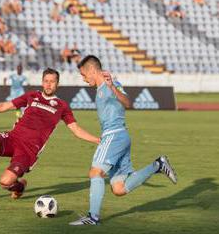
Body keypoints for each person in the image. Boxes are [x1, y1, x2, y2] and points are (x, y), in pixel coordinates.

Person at [69, 55, 177, 225]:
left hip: (114, 135)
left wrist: (112, 86)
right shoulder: (100, 87)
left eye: (84, 74)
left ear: (92, 70)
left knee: (95, 172)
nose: (83, 79)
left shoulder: (109, 84)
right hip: (119, 137)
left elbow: (128, 102)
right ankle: (158, 165)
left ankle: (92, 217)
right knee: (119, 189)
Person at [0, 68, 100, 198]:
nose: (49, 84)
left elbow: (76, 130)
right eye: (46, 81)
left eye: (52, 82)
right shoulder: (32, 95)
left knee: (5, 182)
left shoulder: (62, 106)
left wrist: (97, 140)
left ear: (57, 84)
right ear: (42, 82)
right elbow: (4, 106)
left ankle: (20, 187)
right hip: (13, 138)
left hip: (29, 150)